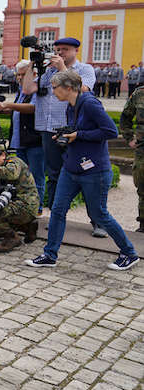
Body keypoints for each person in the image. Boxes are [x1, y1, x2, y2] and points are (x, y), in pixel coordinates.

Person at [25, 70, 139, 271]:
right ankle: (50, 255)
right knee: (58, 210)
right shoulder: (71, 105)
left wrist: (79, 135)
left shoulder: (90, 103)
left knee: (99, 214)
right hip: (71, 168)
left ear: (68, 88)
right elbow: (77, 130)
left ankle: (129, 253)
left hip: (94, 171)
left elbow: (110, 131)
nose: (52, 91)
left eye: (55, 87)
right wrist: (66, 134)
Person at [21, 37, 95, 213]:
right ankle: (56, 215)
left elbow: (83, 90)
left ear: (76, 50)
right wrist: (32, 65)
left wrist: (62, 68)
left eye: (65, 49)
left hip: (74, 129)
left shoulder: (85, 69)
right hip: (49, 130)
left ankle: (97, 220)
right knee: (53, 175)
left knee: (85, 174)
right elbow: (28, 89)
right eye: (58, 49)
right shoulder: (48, 72)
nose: (60, 52)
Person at [0, 60, 45, 213]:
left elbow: (32, 108)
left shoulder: (36, 89)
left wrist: (9, 105)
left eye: (23, 74)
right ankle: (23, 206)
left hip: (34, 140)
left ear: (34, 74)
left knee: (36, 177)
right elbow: (17, 111)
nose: (20, 78)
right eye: (19, 75)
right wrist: (0, 109)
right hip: (20, 140)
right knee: (21, 177)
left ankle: (37, 208)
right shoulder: (21, 91)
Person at [119, 86, 144, 235]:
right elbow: (125, 117)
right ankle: (143, 224)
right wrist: (129, 138)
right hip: (142, 150)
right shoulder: (139, 93)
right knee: (142, 185)